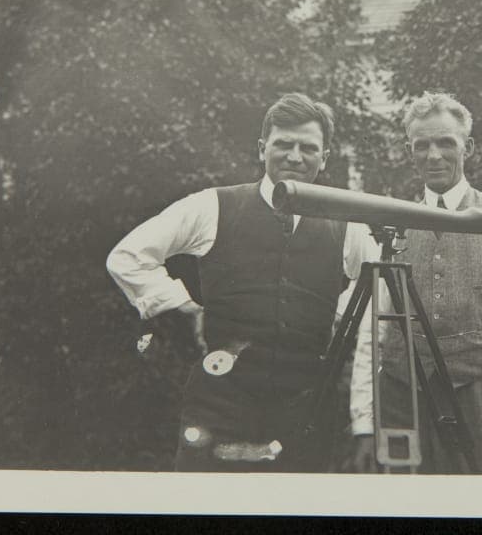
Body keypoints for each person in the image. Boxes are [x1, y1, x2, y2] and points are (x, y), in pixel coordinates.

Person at [107, 92, 376, 472]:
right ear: (262, 149)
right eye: (284, 144)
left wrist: (337, 317)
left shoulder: (347, 224)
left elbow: (378, 288)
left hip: (305, 413)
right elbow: (128, 256)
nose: (295, 157)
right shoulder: (213, 206)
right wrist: (183, 306)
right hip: (219, 407)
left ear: (325, 157)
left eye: (308, 148)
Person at [349, 91, 482, 474]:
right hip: (403, 398)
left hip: (481, 396)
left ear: (468, 146)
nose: (434, 155)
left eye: (446, 142)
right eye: (422, 145)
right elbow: (372, 330)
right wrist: (364, 422)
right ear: (409, 150)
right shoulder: (391, 223)